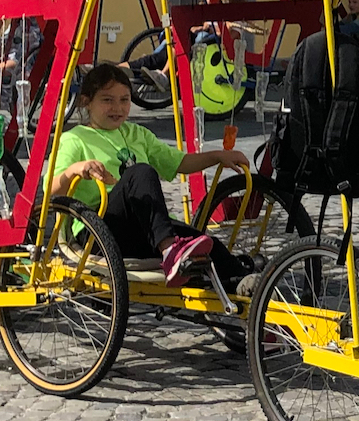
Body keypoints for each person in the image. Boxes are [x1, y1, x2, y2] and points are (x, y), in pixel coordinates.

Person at [51, 63, 255, 288]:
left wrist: (218, 156)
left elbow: (179, 162)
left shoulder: (137, 134)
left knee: (205, 243)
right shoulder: (75, 138)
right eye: (107, 100)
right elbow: (49, 191)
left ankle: (248, 289)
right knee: (140, 172)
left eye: (124, 100)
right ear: (86, 102)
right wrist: (75, 169)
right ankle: (170, 251)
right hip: (98, 232)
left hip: (142, 231)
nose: (117, 107)